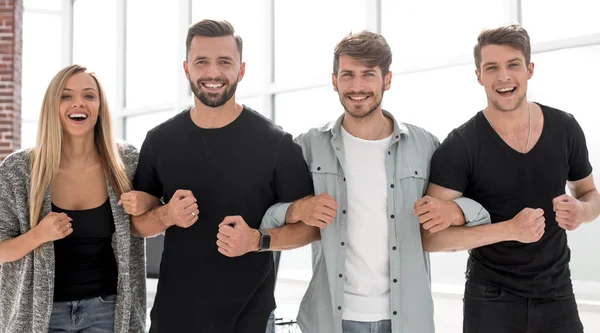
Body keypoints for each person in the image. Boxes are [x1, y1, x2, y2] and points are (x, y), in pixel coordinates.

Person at [224, 30, 491, 333]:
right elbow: (271, 213)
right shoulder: (308, 146)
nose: (357, 86)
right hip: (331, 320)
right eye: (348, 74)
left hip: (407, 321)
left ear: (386, 80)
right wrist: (298, 210)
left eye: (368, 74)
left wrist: (455, 212)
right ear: (334, 80)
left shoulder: (425, 145)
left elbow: (470, 210)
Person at [130, 19, 314, 333]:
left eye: (224, 62)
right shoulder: (159, 140)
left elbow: (311, 228)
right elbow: (136, 224)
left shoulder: (276, 143)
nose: (213, 73)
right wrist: (166, 215)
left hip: (249, 322)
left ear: (240, 70)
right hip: (173, 321)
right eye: (202, 62)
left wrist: (258, 241)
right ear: (187, 68)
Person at [421, 23, 600, 333]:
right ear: (478, 76)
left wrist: (582, 211)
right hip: (491, 299)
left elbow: (589, 193)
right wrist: (509, 230)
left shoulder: (565, 127)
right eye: (492, 67)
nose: (503, 76)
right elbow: (432, 238)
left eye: (512, 65)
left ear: (529, 69)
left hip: (558, 294)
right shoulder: (461, 145)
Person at [0, 64, 155, 333]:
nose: (78, 103)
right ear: (53, 105)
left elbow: (154, 216)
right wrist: (38, 235)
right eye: (66, 96)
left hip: (108, 312)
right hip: (41, 316)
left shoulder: (127, 162)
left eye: (89, 95)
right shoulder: (19, 170)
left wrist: (148, 203)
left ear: (99, 107)